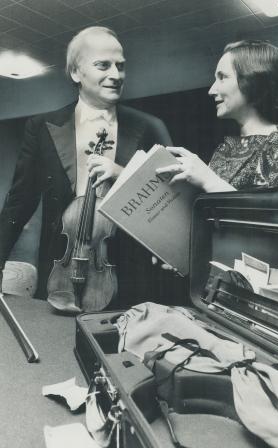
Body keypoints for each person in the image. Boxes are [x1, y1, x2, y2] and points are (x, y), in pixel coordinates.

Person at [0, 26, 172, 303]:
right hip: (60, 268)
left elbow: (171, 199)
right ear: (76, 72)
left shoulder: (151, 127)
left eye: (120, 66)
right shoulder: (41, 127)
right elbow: (19, 201)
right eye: (103, 65)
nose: (116, 75)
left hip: (130, 276)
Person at [156, 40, 278, 191]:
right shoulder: (223, 150)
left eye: (222, 77)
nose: (211, 90)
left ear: (252, 81)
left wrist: (209, 180)